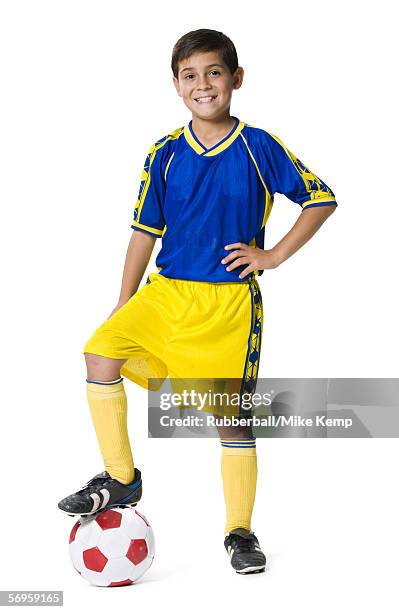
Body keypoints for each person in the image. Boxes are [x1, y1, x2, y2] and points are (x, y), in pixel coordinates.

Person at [58, 28, 337, 575]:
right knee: (99, 354)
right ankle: (121, 478)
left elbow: (319, 199)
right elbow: (144, 232)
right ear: (176, 85)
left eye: (214, 72)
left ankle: (239, 531)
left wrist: (273, 255)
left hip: (227, 305)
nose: (203, 84)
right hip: (166, 295)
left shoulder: (259, 147)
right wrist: (124, 302)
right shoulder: (163, 153)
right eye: (191, 75)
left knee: (231, 420)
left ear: (237, 78)